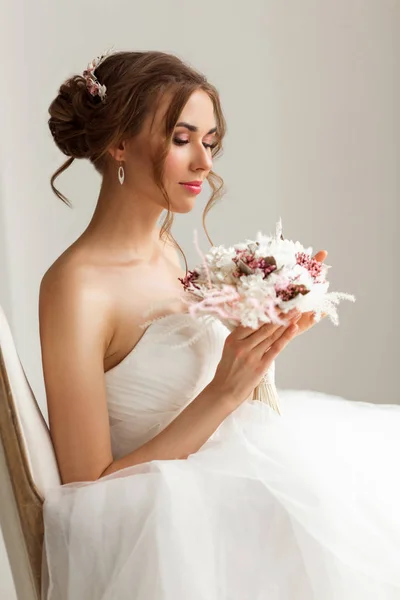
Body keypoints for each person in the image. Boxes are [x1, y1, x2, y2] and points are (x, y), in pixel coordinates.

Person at [40, 50, 400, 599]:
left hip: (236, 474)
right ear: (118, 143)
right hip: (170, 526)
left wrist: (261, 335)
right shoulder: (77, 286)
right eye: (181, 139)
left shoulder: (166, 249)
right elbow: (88, 490)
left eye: (208, 142)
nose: (205, 164)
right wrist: (225, 391)